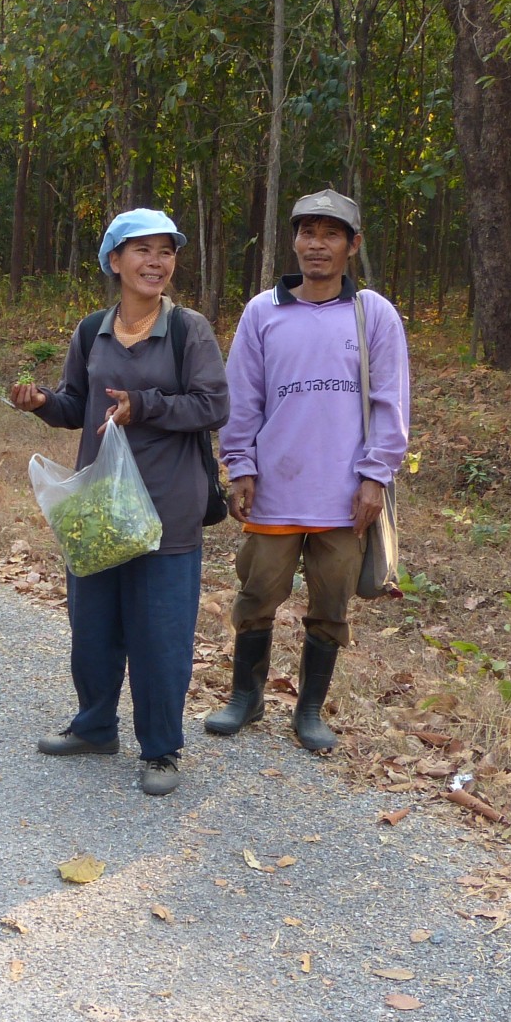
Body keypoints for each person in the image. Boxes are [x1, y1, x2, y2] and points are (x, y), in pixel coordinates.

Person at [9, 209, 228, 797]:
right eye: (143, 250)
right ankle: (95, 726)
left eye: (166, 251)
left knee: (161, 634)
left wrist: (145, 405)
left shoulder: (189, 331)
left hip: (166, 509)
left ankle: (161, 750)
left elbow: (214, 406)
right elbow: (75, 403)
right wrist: (40, 403)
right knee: (94, 626)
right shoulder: (91, 331)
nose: (157, 262)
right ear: (114, 261)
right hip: (101, 508)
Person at [204, 188, 411, 753]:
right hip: (274, 489)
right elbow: (242, 397)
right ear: (293, 241)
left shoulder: (374, 313)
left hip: (344, 497)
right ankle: (245, 700)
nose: (316, 245)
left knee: (331, 603)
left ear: (352, 245)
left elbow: (390, 403)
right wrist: (239, 464)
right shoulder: (262, 313)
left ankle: (310, 710)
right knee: (257, 593)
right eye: (307, 232)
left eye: (331, 234)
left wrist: (375, 476)